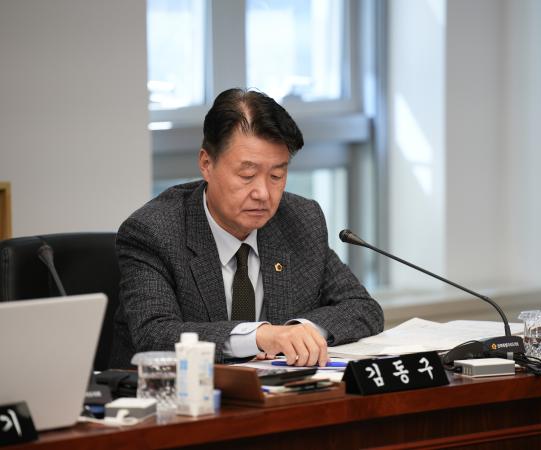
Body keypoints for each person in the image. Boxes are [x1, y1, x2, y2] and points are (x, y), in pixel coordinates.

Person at [110, 88, 384, 369]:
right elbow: (155, 334)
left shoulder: (301, 220)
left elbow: (363, 308)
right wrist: (259, 337)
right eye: (247, 175)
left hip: (277, 391)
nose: (263, 193)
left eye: (276, 175)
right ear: (206, 164)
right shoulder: (153, 232)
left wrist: (296, 333)